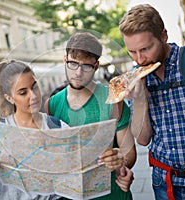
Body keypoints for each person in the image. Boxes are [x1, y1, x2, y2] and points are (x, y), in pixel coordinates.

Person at [0, 60, 125, 200]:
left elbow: (83, 173)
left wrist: (111, 159)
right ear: (9, 98)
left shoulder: (57, 127)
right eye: (23, 92)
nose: (33, 96)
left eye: (34, 86)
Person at [119, 4, 185, 200]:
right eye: (132, 52)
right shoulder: (136, 78)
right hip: (164, 184)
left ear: (163, 36)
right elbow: (143, 139)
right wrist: (140, 100)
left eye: (146, 49)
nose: (139, 59)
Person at [45, 32, 137, 199]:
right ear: (65, 60)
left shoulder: (113, 99)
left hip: (112, 194)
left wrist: (119, 159)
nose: (78, 73)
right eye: (73, 64)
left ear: (96, 66)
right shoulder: (52, 104)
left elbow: (130, 154)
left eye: (86, 66)